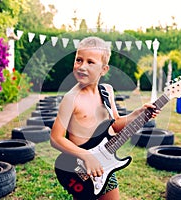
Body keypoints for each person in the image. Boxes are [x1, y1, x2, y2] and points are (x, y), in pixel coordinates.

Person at [50, 36, 160, 200]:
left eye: (90, 62)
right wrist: (86, 156)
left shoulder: (107, 91)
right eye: (79, 60)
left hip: (104, 164)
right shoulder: (71, 98)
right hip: (79, 168)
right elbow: (55, 138)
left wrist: (137, 114)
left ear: (104, 69)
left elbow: (115, 125)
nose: (82, 66)